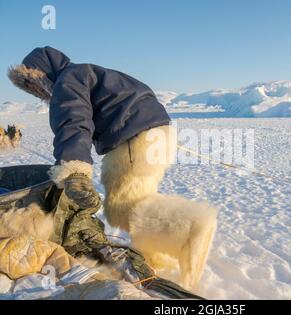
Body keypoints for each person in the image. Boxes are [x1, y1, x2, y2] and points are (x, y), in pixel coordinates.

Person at [8, 46, 171, 208]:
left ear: (43, 74)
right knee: (140, 202)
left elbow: (73, 121)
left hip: (135, 138)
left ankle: (190, 229)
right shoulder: (84, 73)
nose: (38, 90)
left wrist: (74, 169)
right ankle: (184, 227)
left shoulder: (67, 80)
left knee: (126, 208)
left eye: (35, 83)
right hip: (154, 133)